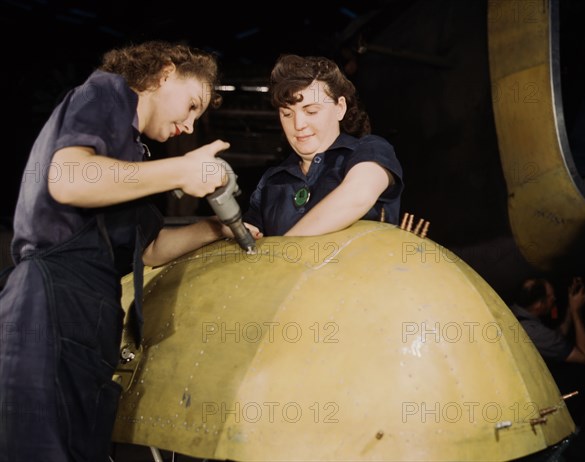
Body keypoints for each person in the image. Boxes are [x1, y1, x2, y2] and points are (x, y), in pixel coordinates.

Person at [0, 40, 260, 462]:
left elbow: (151, 250)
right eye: (192, 105)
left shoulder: (131, 160)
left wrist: (217, 228)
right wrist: (181, 169)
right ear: (164, 73)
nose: (190, 126)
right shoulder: (106, 92)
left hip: (92, 317)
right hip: (50, 303)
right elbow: (68, 179)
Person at [242, 54, 403, 236]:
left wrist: (283, 249)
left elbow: (357, 196)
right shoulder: (272, 181)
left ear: (340, 108)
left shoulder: (370, 150)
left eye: (311, 111)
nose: (298, 125)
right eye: (287, 114)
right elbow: (251, 241)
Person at [511, 276, 585, 365]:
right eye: (551, 298)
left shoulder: (514, 311)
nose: (555, 299)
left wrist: (570, 308)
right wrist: (576, 312)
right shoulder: (534, 332)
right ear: (538, 305)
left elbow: (555, 337)